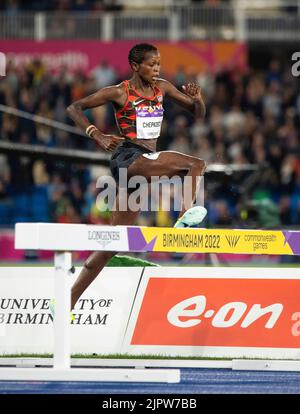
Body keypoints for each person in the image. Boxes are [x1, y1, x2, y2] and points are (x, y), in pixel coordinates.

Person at [67, 43, 207, 310]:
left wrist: (198, 98)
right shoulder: (120, 92)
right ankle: (184, 219)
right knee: (196, 164)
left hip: (143, 166)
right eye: (151, 64)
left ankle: (67, 300)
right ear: (135, 66)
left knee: (115, 241)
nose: (157, 68)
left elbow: (197, 114)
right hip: (128, 159)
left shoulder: (163, 87)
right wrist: (96, 134)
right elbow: (74, 107)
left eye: (158, 63)